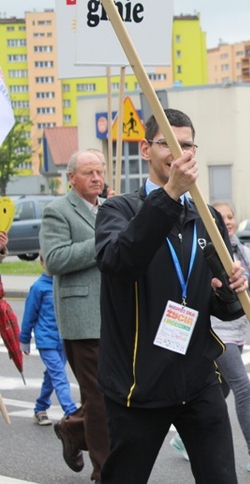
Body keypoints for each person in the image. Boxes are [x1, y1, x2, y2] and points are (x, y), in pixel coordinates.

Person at [95, 108, 249, 484]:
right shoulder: (119, 209)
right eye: (168, 144)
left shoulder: (207, 216)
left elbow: (219, 306)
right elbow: (119, 263)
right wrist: (169, 195)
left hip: (197, 378)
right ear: (146, 149)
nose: (179, 153)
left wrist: (231, 293)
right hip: (139, 382)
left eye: (187, 145)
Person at [40, 150, 110, 482]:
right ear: (72, 178)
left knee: (115, 393)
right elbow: (53, 260)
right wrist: (102, 242)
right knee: (97, 398)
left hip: (114, 317)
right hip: (82, 319)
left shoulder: (109, 209)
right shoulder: (58, 211)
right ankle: (104, 470)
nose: (97, 178)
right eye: (89, 172)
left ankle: (72, 430)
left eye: (100, 171)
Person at [200, 201, 250, 474]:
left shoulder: (243, 250)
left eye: (231, 216)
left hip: (239, 331)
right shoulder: (206, 251)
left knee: (221, 389)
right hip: (218, 331)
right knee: (243, 387)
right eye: (221, 217)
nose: (228, 221)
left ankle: (184, 439)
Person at [19, 254, 78, 426]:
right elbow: (29, 316)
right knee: (59, 376)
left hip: (64, 340)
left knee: (52, 376)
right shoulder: (38, 288)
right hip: (46, 341)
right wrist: (24, 340)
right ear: (42, 263)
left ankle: (40, 408)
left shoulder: (64, 284)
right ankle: (71, 412)